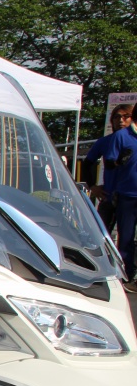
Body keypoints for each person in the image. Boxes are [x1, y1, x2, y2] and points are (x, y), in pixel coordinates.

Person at [98, 111, 137, 291]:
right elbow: (109, 162)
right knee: (126, 238)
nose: (121, 120)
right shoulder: (121, 136)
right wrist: (120, 162)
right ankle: (126, 275)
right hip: (127, 195)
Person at [85, 104, 133, 234]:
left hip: (131, 198)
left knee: (127, 239)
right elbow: (87, 164)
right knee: (100, 236)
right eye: (117, 117)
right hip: (110, 196)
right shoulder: (105, 141)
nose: (121, 120)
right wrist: (92, 186)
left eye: (126, 116)